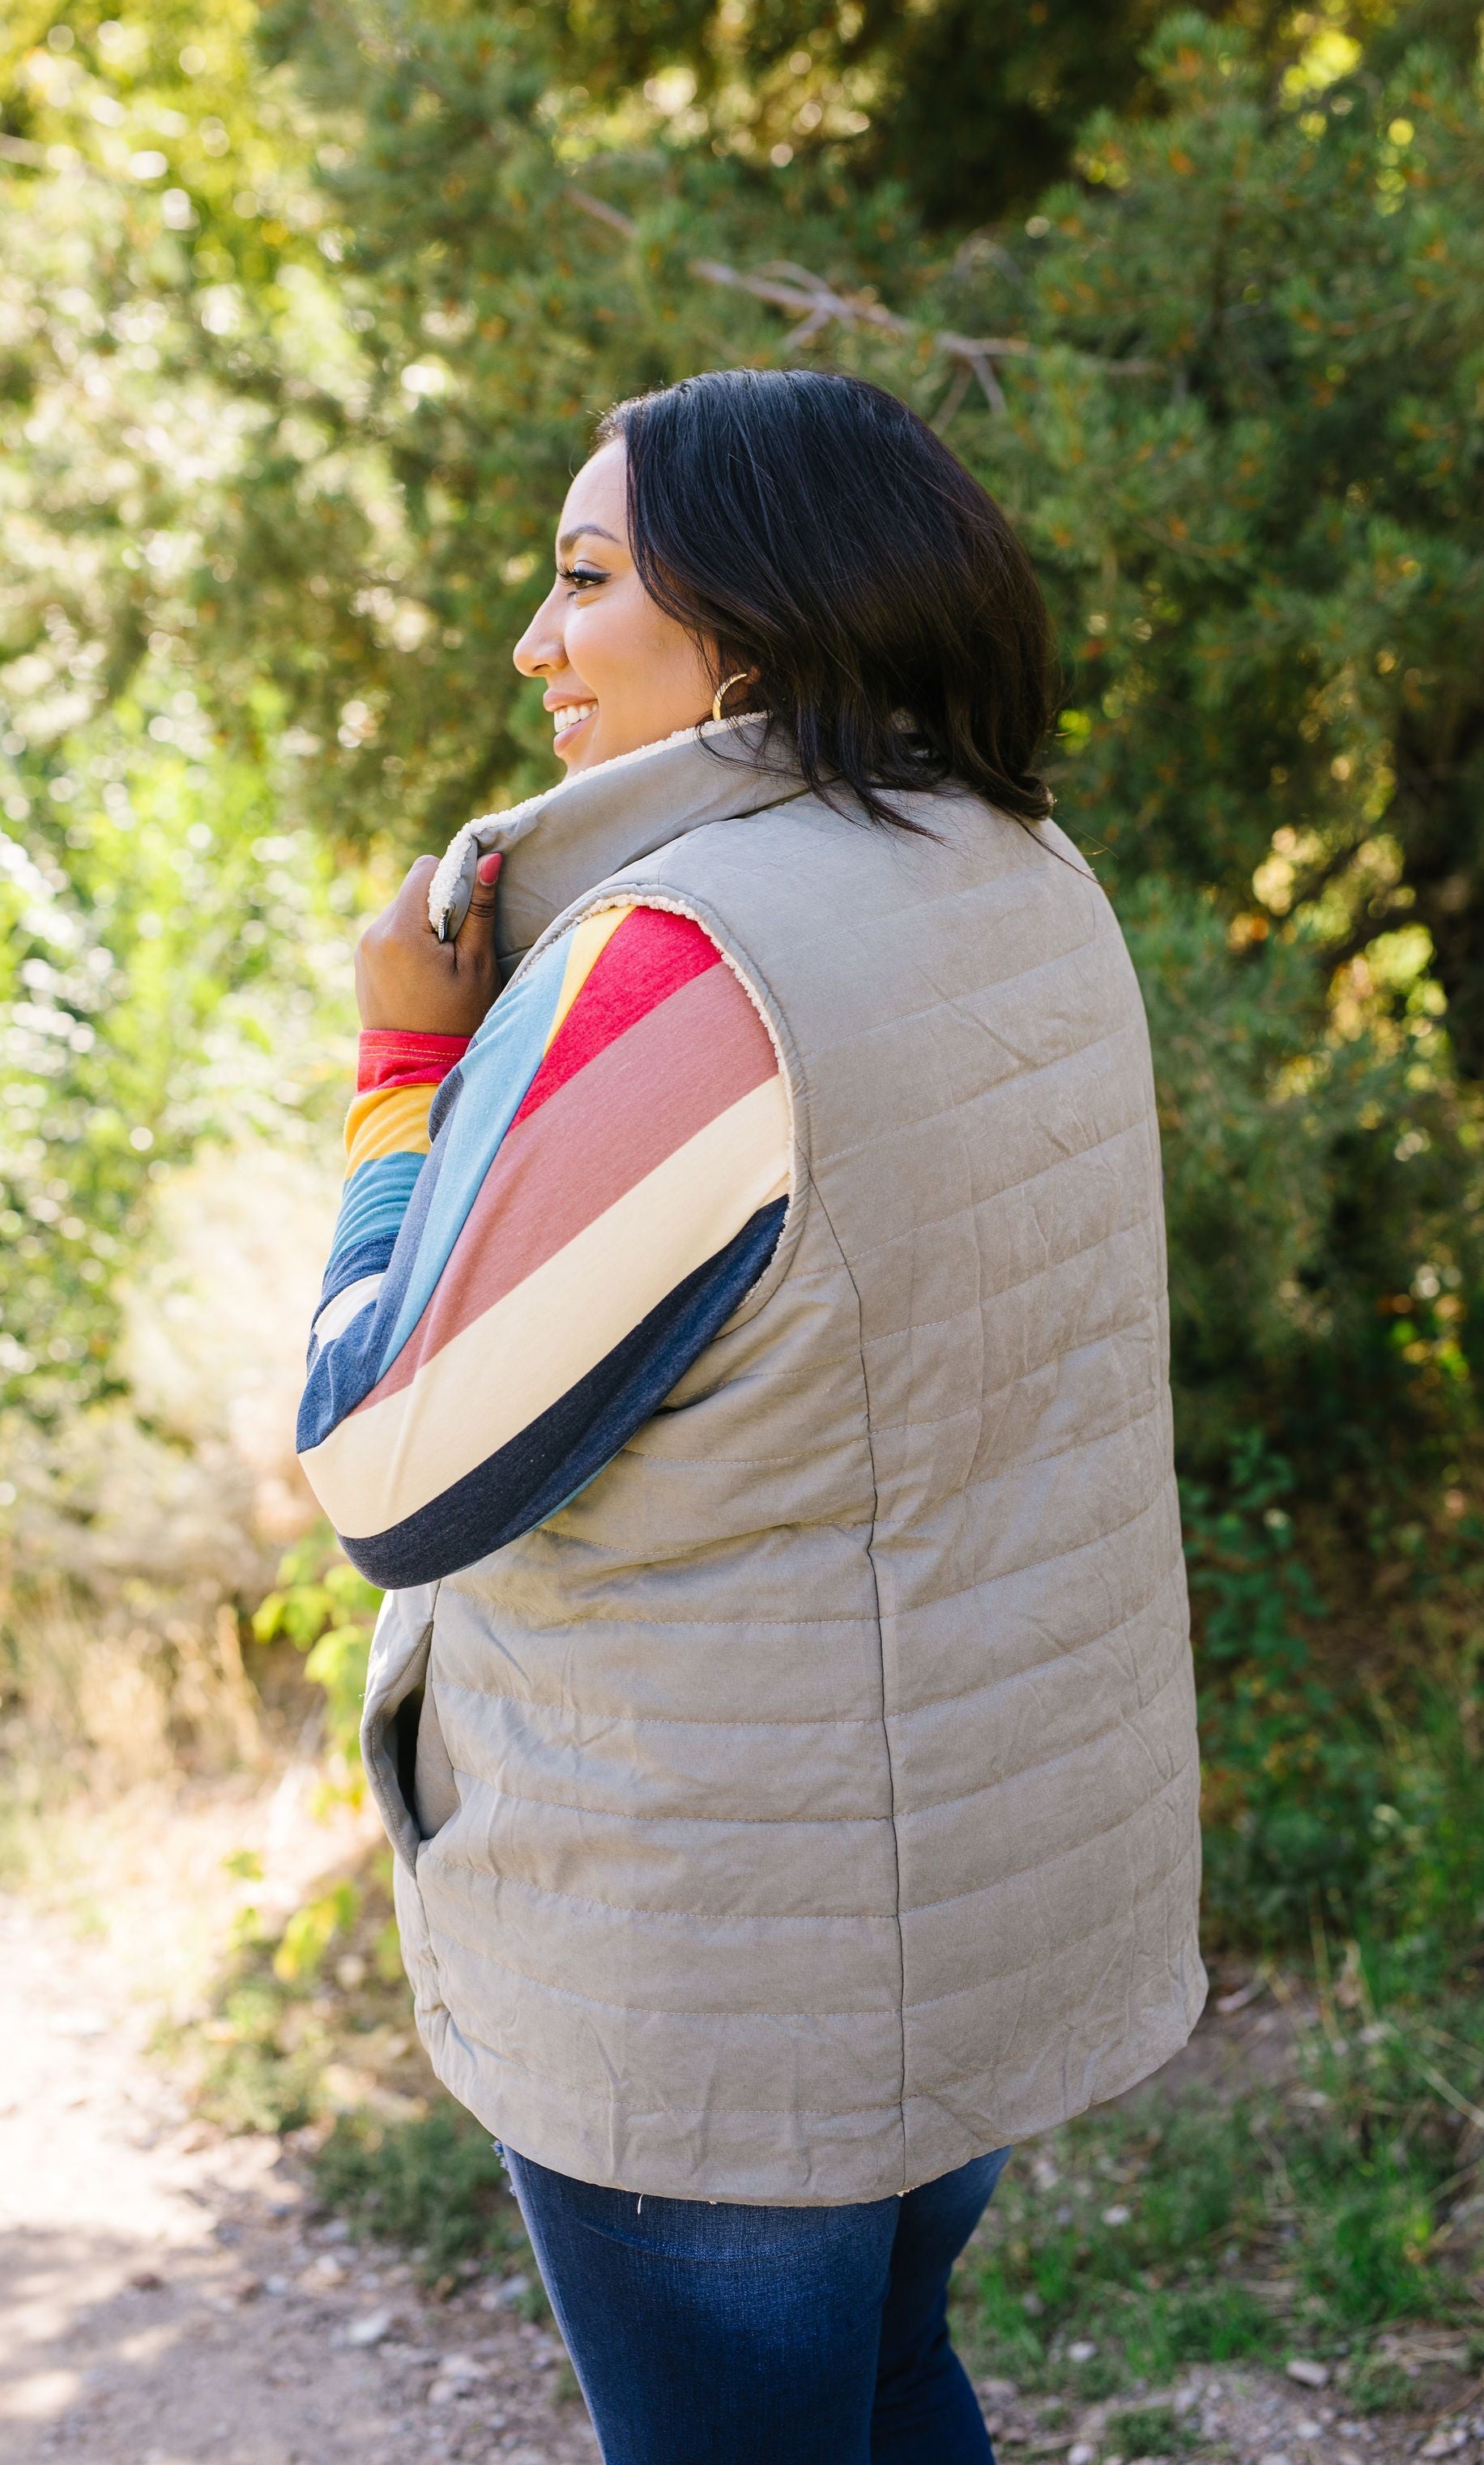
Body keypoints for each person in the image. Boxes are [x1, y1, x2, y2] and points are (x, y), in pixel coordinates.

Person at [296, 368, 1205, 2465]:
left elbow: (386, 1461)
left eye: (586, 579)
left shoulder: (686, 968)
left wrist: (399, 1074)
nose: (535, 643)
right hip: (958, 1913)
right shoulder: (1016, 866)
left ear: (765, 624)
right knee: (892, 2389)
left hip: (730, 1990)